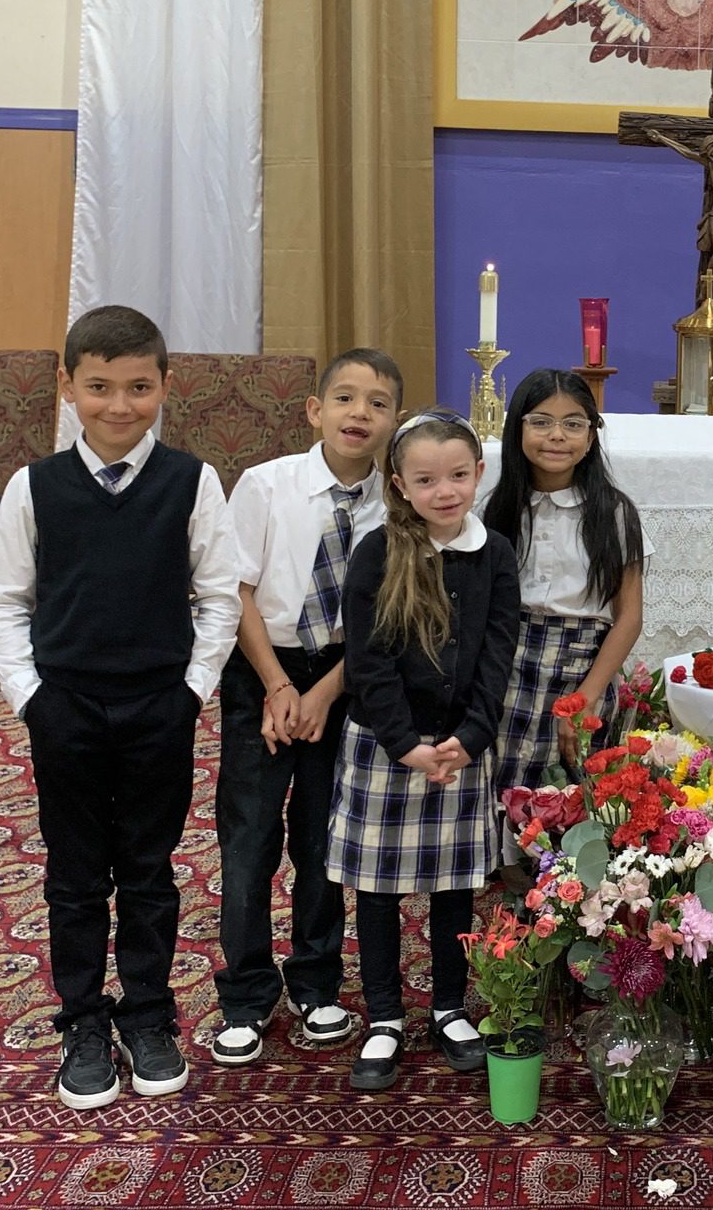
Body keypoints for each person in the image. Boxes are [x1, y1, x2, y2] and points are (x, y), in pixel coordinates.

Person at [0, 306, 241, 1112]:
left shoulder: (193, 481)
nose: (118, 406)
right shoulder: (35, 486)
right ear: (67, 386)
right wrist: (32, 699)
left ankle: (150, 1017)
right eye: (97, 387)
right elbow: (2, 601)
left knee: (151, 870)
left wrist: (190, 691)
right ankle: (85, 1021)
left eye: (137, 388)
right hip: (66, 709)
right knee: (76, 876)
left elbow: (221, 597)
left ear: (166, 385)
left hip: (158, 706)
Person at [208, 349, 402, 1067]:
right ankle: (245, 991)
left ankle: (317, 981)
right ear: (314, 410)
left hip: (351, 677)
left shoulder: (399, 503)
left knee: (325, 841)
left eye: (377, 403)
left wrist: (326, 692)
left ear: (394, 422)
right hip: (264, 668)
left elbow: (390, 620)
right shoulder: (265, 484)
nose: (360, 413)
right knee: (250, 837)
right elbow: (236, 589)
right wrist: (280, 688)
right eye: (345, 398)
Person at [331, 411, 521, 1092]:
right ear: (399, 484)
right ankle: (384, 1013)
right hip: (389, 746)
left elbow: (499, 653)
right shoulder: (378, 552)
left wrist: (471, 739)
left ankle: (447, 1004)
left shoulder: (494, 552)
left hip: (460, 747)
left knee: (453, 887)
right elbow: (367, 660)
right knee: (377, 891)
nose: (446, 490)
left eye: (460, 475)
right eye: (427, 479)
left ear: (478, 474)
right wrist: (406, 744)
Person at [482, 370, 648, 798]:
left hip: (582, 667)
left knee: (569, 792)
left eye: (573, 424)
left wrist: (588, 695)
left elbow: (628, 617)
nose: (557, 436)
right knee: (500, 787)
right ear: (516, 427)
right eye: (540, 421)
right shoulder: (496, 509)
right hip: (508, 665)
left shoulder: (614, 513)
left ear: (591, 437)